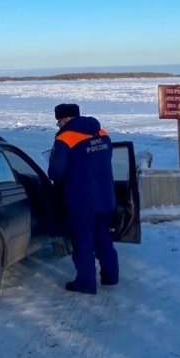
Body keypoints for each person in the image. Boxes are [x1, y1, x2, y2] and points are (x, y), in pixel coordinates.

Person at [48, 103, 119, 295]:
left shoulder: (65, 139)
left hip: (82, 201)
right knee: (103, 237)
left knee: (83, 241)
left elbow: (55, 172)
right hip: (106, 197)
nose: (58, 125)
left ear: (64, 119)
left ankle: (86, 282)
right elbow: (107, 158)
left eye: (59, 121)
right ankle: (110, 277)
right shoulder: (102, 133)